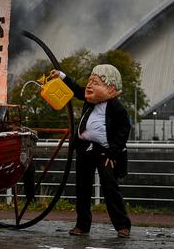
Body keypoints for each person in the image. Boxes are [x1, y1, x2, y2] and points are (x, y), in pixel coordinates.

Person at [49, 64, 131, 238]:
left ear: (111, 89)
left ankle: (122, 225)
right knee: (82, 188)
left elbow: (124, 130)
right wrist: (62, 76)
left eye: (96, 82)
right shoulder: (89, 101)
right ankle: (82, 225)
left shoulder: (117, 108)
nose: (89, 85)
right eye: (90, 81)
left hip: (105, 153)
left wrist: (113, 152)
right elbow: (78, 90)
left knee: (110, 188)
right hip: (85, 149)